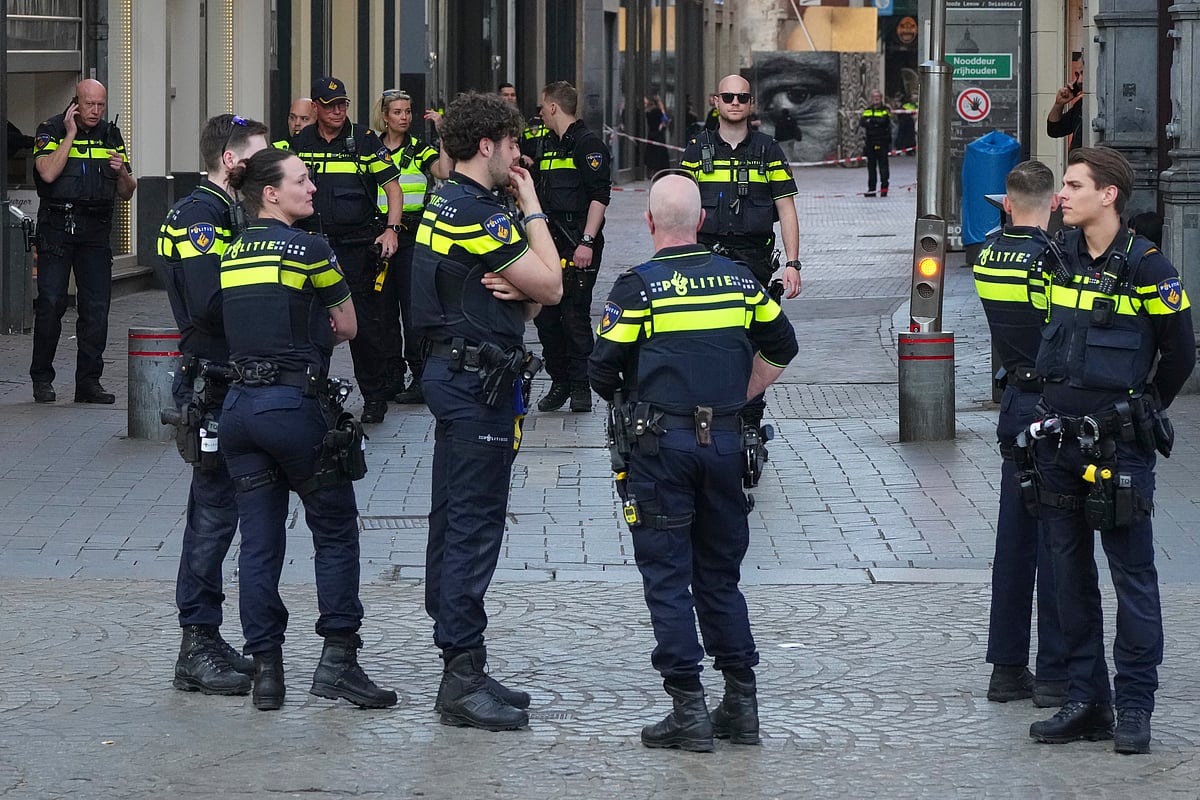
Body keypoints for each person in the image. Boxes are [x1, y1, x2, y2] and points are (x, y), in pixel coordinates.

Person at [588, 173, 798, 752]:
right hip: (726, 444)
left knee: (667, 577)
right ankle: (741, 704)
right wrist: (738, 395)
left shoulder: (638, 288)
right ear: (702, 220)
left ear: (649, 223)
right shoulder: (740, 280)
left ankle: (688, 708)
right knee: (720, 576)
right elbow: (783, 346)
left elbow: (600, 370)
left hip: (661, 448)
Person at [1029, 147, 1194, 755]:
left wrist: (1140, 409)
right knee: (1068, 577)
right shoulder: (1057, 256)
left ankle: (1134, 707)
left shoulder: (1150, 267)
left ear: (1109, 195)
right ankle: (1086, 701)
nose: (1062, 195)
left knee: (1132, 578)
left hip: (1118, 448)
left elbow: (1180, 354)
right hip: (1059, 446)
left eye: (1074, 186)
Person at [218, 148, 396, 712]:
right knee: (335, 530)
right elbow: (349, 325)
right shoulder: (311, 248)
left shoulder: (231, 250)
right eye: (302, 180)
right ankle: (338, 660)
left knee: (258, 543)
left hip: (239, 411)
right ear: (271, 193)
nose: (313, 187)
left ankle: (267, 672)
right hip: (294, 409)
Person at [411, 91, 562, 731]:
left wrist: (522, 291)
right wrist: (532, 206)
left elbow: (529, 300)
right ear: (486, 146)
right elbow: (551, 285)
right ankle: (460, 677)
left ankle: (463, 657)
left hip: (458, 374)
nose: (518, 156)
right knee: (474, 524)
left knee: (454, 516)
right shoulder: (478, 211)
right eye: (512, 144)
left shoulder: (446, 200)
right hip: (475, 384)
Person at [157, 113, 270, 696]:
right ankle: (196, 643)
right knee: (213, 514)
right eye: (259, 154)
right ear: (231, 160)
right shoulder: (201, 217)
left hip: (226, 377)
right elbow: (207, 304)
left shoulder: (224, 211)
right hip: (213, 382)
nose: (267, 164)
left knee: (220, 512)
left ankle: (207, 635)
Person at [970, 160, 1068, 710]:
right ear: (1053, 203)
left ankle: (1006, 668)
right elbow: (1058, 328)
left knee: (1013, 543)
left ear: (1007, 203)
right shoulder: (1050, 259)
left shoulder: (987, 255)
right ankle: (1055, 673)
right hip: (1053, 405)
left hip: (1014, 404)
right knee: (1059, 540)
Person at [680, 74, 802, 447]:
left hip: (755, 264)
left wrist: (793, 264)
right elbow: (679, 208)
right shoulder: (696, 149)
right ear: (716, 101)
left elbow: (786, 208)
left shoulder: (768, 151)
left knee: (751, 344)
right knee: (704, 343)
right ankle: (708, 420)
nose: (735, 102)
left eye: (742, 97)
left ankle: (749, 423)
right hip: (704, 263)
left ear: (751, 105)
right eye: (729, 96)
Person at [289, 76, 404, 424]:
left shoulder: (364, 140)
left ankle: (374, 397)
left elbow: (393, 189)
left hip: (355, 248)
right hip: (312, 247)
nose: (338, 111)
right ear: (316, 108)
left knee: (364, 325)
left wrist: (391, 230)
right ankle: (316, 395)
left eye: (342, 104)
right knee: (312, 323)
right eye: (330, 105)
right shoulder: (301, 142)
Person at [30, 79, 137, 404]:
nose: (96, 111)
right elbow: (48, 173)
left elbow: (127, 191)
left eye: (101, 105)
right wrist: (70, 135)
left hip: (96, 231)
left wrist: (122, 172)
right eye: (90, 104)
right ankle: (42, 379)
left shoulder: (110, 135)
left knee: (96, 308)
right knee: (51, 303)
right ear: (75, 103)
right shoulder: (50, 129)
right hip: (57, 227)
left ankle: (89, 383)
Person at [531, 81, 612, 414]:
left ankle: (580, 386)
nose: (539, 113)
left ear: (553, 107)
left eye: (542, 106)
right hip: (548, 242)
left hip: (577, 240)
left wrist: (586, 242)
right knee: (546, 316)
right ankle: (559, 381)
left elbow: (599, 197)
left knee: (574, 315)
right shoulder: (546, 144)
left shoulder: (588, 145)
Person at [373, 88, 450, 405]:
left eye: (407, 111)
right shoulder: (371, 147)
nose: (404, 117)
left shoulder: (418, 149)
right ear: (385, 116)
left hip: (411, 236)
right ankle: (392, 376)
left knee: (412, 308)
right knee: (382, 311)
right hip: (377, 234)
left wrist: (443, 133)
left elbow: (445, 171)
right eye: (397, 112)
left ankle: (419, 377)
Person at [1047, 54, 1084, 152]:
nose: (1079, 81)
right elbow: (1054, 130)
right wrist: (1059, 104)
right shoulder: (1080, 105)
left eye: (1083, 73)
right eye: (1077, 75)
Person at [861, 89, 892, 197]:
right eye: (874, 97)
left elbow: (884, 121)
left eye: (878, 97)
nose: (876, 99)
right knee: (871, 167)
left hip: (882, 141)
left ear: (881, 98)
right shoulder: (868, 110)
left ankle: (884, 190)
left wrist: (871, 121)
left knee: (883, 167)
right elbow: (862, 122)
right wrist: (875, 122)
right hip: (870, 142)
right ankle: (872, 190)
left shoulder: (885, 109)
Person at [643, 95, 669, 175]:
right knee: (659, 154)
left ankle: (650, 170)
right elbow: (665, 119)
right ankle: (659, 171)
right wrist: (662, 110)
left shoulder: (648, 112)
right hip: (658, 135)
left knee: (651, 154)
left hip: (651, 134)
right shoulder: (658, 111)